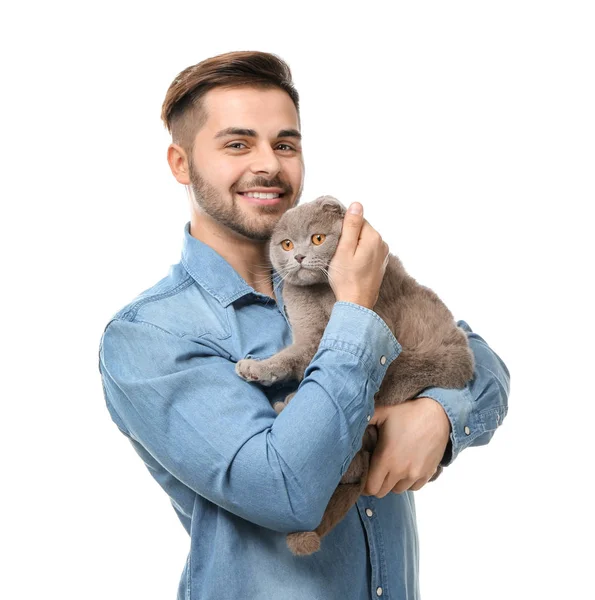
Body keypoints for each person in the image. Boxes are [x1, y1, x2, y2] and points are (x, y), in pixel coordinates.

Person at [98, 50, 510, 600]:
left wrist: (441, 415)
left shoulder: (337, 266)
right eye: (237, 144)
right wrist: (356, 313)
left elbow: (479, 358)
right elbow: (283, 489)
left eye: (285, 143)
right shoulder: (150, 335)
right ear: (180, 164)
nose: (268, 164)